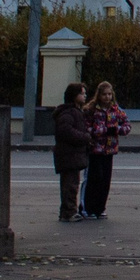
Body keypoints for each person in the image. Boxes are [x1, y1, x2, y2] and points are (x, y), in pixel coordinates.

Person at [82, 80, 130, 220]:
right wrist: (102, 131)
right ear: (99, 95)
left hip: (109, 150)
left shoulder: (116, 110)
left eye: (109, 94)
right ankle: (88, 208)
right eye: (104, 94)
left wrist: (118, 130)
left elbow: (127, 125)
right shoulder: (92, 110)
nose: (107, 97)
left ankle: (100, 208)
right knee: (94, 179)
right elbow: (87, 128)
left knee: (105, 181)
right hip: (95, 150)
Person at [51, 81, 93, 222]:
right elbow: (66, 131)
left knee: (71, 183)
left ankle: (67, 211)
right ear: (74, 95)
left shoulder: (74, 111)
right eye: (82, 93)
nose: (84, 95)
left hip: (71, 154)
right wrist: (85, 137)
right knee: (70, 185)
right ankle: (69, 212)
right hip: (69, 154)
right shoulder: (68, 113)